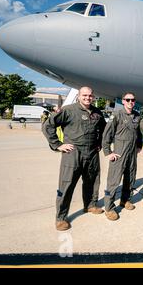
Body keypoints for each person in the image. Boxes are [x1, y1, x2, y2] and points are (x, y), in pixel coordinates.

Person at [42, 87, 106, 231]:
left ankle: (90, 205)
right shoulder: (68, 110)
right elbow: (48, 126)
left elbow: (104, 130)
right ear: (78, 96)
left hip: (92, 153)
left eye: (90, 95)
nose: (87, 98)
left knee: (92, 180)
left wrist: (100, 144)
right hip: (73, 153)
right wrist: (58, 145)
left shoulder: (97, 112)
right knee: (67, 184)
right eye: (84, 95)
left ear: (93, 97)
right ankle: (61, 218)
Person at [102, 92, 143, 221]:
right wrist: (108, 152)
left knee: (130, 177)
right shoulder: (117, 115)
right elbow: (107, 134)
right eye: (128, 100)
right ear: (123, 101)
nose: (130, 102)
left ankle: (125, 200)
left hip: (132, 153)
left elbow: (139, 133)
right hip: (119, 152)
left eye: (132, 100)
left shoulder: (137, 116)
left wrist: (139, 145)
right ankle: (109, 207)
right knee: (114, 180)